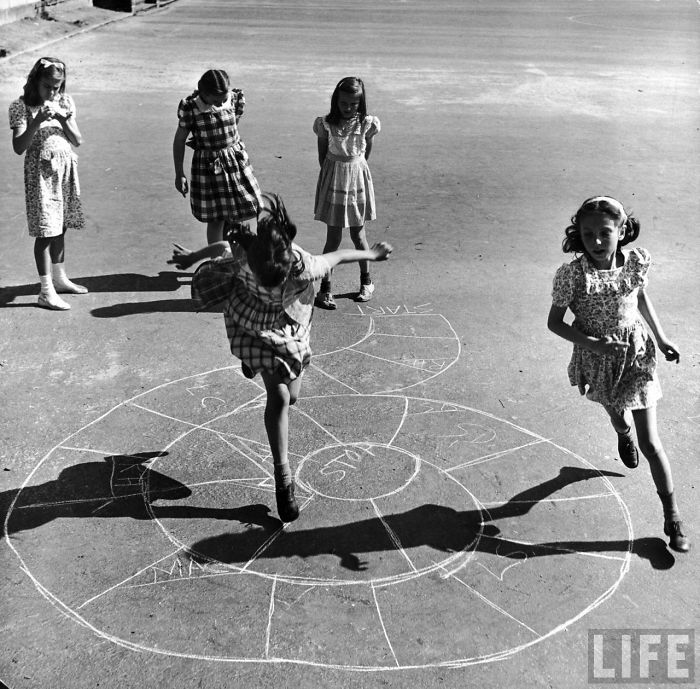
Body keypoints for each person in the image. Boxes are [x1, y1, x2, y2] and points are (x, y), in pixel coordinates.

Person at [169, 194, 393, 522]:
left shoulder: (304, 267)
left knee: (294, 395)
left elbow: (339, 255)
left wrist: (371, 253)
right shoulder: (246, 253)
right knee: (280, 395)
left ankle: (258, 363)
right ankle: (283, 477)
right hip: (249, 320)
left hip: (289, 321)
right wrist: (192, 259)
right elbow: (221, 249)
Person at [547, 196, 689, 553]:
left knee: (652, 443)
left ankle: (672, 516)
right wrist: (593, 344)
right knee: (614, 411)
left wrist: (662, 336)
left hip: (637, 355)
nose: (596, 241)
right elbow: (554, 322)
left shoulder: (635, 263)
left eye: (605, 233)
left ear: (622, 231)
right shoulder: (573, 275)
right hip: (598, 357)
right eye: (588, 233)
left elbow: (639, 297)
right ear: (578, 234)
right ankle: (621, 431)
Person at [9, 57, 86, 311]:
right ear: (34, 81)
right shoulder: (21, 107)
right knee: (45, 231)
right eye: (47, 86)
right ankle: (45, 291)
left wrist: (63, 118)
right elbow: (19, 147)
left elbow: (77, 140)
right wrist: (36, 121)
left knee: (61, 225)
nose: (52, 92)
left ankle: (60, 278)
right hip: (40, 176)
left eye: (57, 86)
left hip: (64, 171)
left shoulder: (64, 101)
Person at [313, 76, 381, 309]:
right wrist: (334, 175)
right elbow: (323, 156)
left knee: (358, 235)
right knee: (333, 237)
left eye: (354, 104)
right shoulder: (325, 124)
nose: (349, 108)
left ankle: (366, 281)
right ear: (336, 101)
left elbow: (365, 151)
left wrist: (354, 170)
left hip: (357, 183)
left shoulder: (366, 123)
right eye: (344, 103)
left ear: (360, 103)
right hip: (334, 182)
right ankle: (325, 288)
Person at [173, 68, 262, 245]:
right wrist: (179, 173)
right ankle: (217, 261)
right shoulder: (191, 108)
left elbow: (231, 125)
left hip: (236, 165)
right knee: (216, 218)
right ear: (204, 93)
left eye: (223, 99)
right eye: (216, 100)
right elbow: (179, 140)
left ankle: (244, 255)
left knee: (250, 207)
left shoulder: (234, 99)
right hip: (209, 169)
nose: (221, 104)